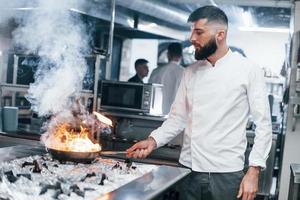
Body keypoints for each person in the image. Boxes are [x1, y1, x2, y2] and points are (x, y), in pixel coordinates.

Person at [126, 5, 272, 200]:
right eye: (192, 31)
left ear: (220, 34)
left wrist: (254, 171)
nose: (192, 38)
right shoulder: (190, 72)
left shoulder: (249, 70)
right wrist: (153, 140)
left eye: (199, 32)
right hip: (188, 170)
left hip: (226, 174)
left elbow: (264, 124)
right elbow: (177, 118)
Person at [149, 42, 184, 115]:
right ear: (181, 56)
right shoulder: (186, 73)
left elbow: (149, 94)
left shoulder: (156, 72)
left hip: (156, 116)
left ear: (168, 54)